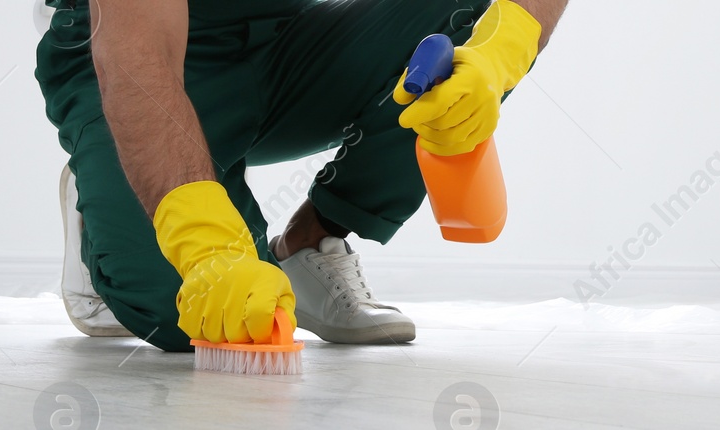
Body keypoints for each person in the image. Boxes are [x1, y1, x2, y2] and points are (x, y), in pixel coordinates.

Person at [35, 0, 567, 351]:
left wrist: (498, 54)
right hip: (137, 50)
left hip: (293, 33)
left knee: (474, 18)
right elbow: (136, 48)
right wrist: (205, 248)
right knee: (193, 314)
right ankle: (112, 197)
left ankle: (310, 243)